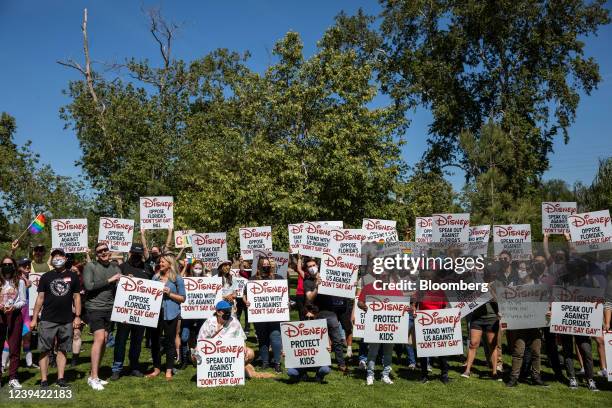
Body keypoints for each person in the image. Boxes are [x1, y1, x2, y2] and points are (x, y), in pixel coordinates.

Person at [30, 248, 81, 389]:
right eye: (54, 256)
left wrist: (77, 316)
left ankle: (60, 378)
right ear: (51, 260)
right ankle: (44, 380)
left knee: (63, 349)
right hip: (48, 319)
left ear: (65, 258)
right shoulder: (46, 277)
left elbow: (77, 297)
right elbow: (40, 298)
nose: (57, 258)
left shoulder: (73, 276)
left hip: (66, 319)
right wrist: (34, 318)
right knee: (44, 350)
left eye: (60, 256)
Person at [195, 300, 273, 379]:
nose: (228, 312)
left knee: (250, 353)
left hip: (229, 353)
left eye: (229, 310)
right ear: (218, 312)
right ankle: (208, 371)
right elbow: (200, 341)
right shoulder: (208, 323)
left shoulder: (234, 322)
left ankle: (234, 369)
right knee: (194, 355)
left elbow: (241, 340)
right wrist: (197, 350)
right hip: (212, 354)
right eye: (225, 311)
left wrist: (244, 347)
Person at [83, 242, 122, 391]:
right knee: (99, 339)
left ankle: (95, 374)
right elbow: (89, 286)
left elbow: (120, 286)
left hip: (110, 308)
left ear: (109, 251)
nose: (103, 252)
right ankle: (93, 378)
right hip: (95, 308)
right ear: (96, 254)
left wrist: (126, 279)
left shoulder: (115, 267)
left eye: (105, 250)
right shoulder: (90, 266)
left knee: (105, 340)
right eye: (100, 251)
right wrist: (110, 280)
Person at [110, 244, 152, 380]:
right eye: (134, 253)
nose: (136, 256)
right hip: (124, 312)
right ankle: (117, 368)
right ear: (130, 253)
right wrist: (123, 279)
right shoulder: (122, 268)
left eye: (138, 254)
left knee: (137, 341)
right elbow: (113, 286)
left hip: (141, 313)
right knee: (121, 340)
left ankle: (134, 366)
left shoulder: (147, 268)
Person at [357, 267, 403, 385]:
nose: (383, 277)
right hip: (375, 326)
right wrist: (365, 307)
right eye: (381, 275)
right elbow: (359, 302)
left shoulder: (396, 289)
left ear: (389, 276)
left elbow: (402, 306)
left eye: (386, 276)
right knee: (373, 351)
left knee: (388, 352)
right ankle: (370, 374)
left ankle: (385, 375)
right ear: (376, 276)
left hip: (390, 327)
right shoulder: (369, 287)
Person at [506, 261, 547, 387]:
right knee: (518, 351)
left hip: (535, 324)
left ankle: (536, 377)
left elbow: (545, 301)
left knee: (536, 351)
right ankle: (513, 378)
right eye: (519, 269)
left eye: (522, 269)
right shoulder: (513, 284)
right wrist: (503, 312)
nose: (519, 271)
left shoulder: (538, 284)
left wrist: (547, 310)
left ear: (529, 271)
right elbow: (507, 303)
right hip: (520, 324)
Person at [147, 252, 185, 380]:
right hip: (156, 314)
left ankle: (169, 370)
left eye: (163, 262)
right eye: (160, 262)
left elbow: (182, 298)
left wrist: (170, 294)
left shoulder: (177, 279)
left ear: (170, 263)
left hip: (171, 314)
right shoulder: (155, 277)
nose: (160, 263)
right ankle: (157, 368)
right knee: (155, 342)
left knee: (169, 342)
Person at [244, 257, 285, 373]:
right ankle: (265, 362)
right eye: (264, 264)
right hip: (259, 315)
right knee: (262, 339)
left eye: (268, 264)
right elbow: (245, 294)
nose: (266, 266)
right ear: (259, 266)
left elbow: (284, 295)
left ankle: (277, 363)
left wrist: (285, 302)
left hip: (275, 315)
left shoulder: (278, 278)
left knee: (275, 337)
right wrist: (246, 301)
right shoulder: (252, 280)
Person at [462, 264, 501, 380]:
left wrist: (489, 289)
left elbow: (499, 301)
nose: (486, 274)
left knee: (492, 345)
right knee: (473, 343)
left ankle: (494, 371)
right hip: (477, 318)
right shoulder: (476, 284)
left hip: (491, 318)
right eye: (485, 272)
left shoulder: (498, 284)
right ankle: (468, 370)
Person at [414, 269, 450, 384]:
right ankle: (424, 374)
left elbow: (444, 307)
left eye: (428, 278)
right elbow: (413, 305)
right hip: (424, 323)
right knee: (424, 351)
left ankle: (444, 374)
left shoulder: (441, 291)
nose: (426, 280)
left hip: (438, 323)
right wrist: (414, 310)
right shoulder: (420, 291)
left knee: (441, 351)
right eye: (424, 278)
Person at [286, 303, 332, 383]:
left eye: (311, 317)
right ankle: (301, 375)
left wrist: (329, 347)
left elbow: (328, 343)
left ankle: (318, 376)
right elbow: (290, 346)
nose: (309, 319)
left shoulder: (321, 329)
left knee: (325, 369)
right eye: (306, 317)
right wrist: (286, 352)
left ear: (316, 316)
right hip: (301, 362)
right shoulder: (296, 330)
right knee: (291, 371)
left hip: (317, 362)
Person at [0, 256, 27, 388]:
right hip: (0, 315)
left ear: (14, 266)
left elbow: (23, 300)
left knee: (14, 347)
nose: (7, 266)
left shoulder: (19, 281)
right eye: (4, 264)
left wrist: (14, 307)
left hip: (15, 315)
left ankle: (13, 377)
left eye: (10, 264)